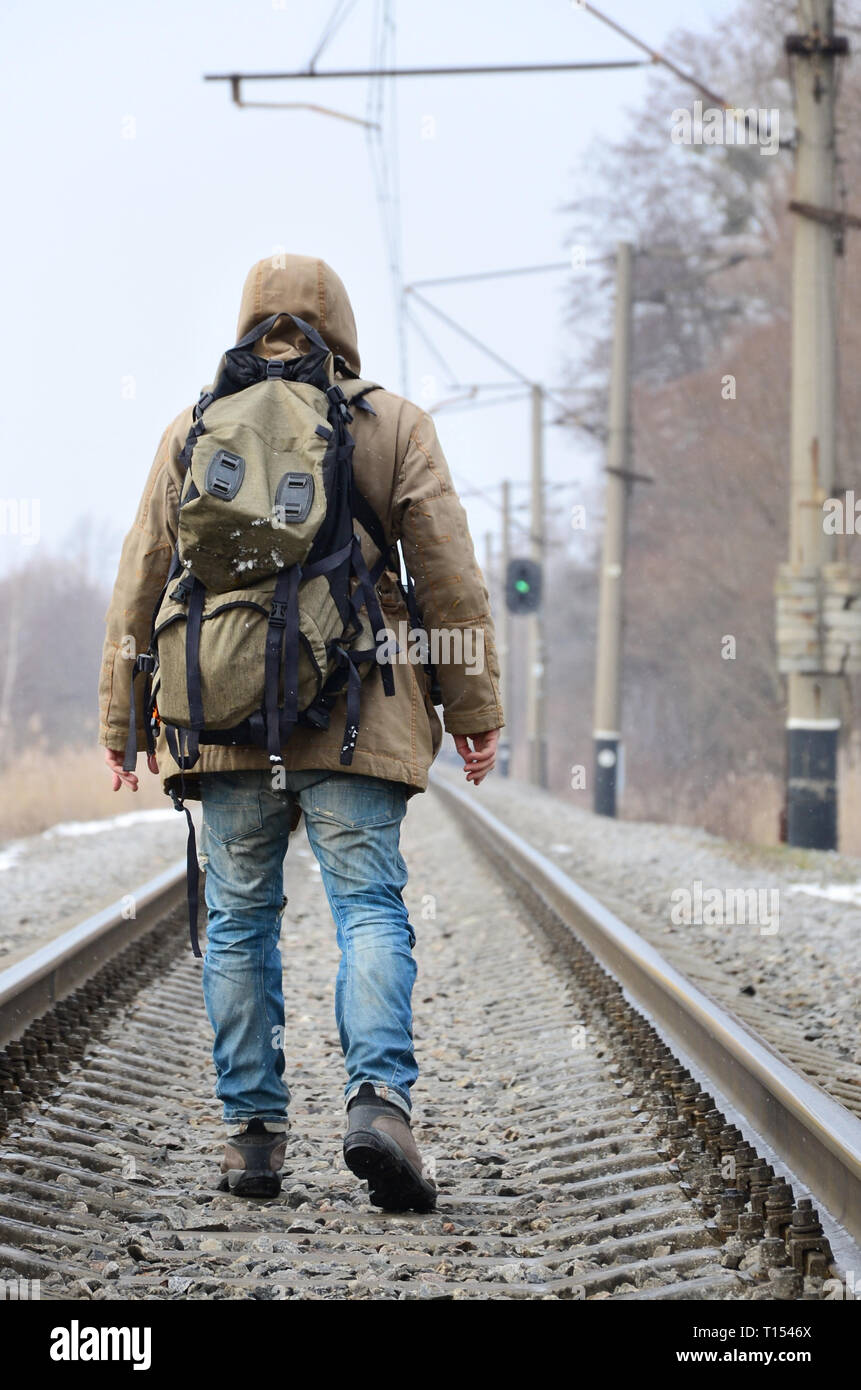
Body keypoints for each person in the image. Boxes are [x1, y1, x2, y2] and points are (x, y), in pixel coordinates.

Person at [98, 254, 504, 1212]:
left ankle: (251, 1140)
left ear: (245, 324)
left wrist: (123, 723)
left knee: (239, 921)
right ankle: (379, 1106)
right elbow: (449, 576)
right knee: (367, 906)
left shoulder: (193, 426)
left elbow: (141, 579)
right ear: (346, 324)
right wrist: (475, 711)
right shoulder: (393, 422)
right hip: (356, 714)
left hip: (224, 719)